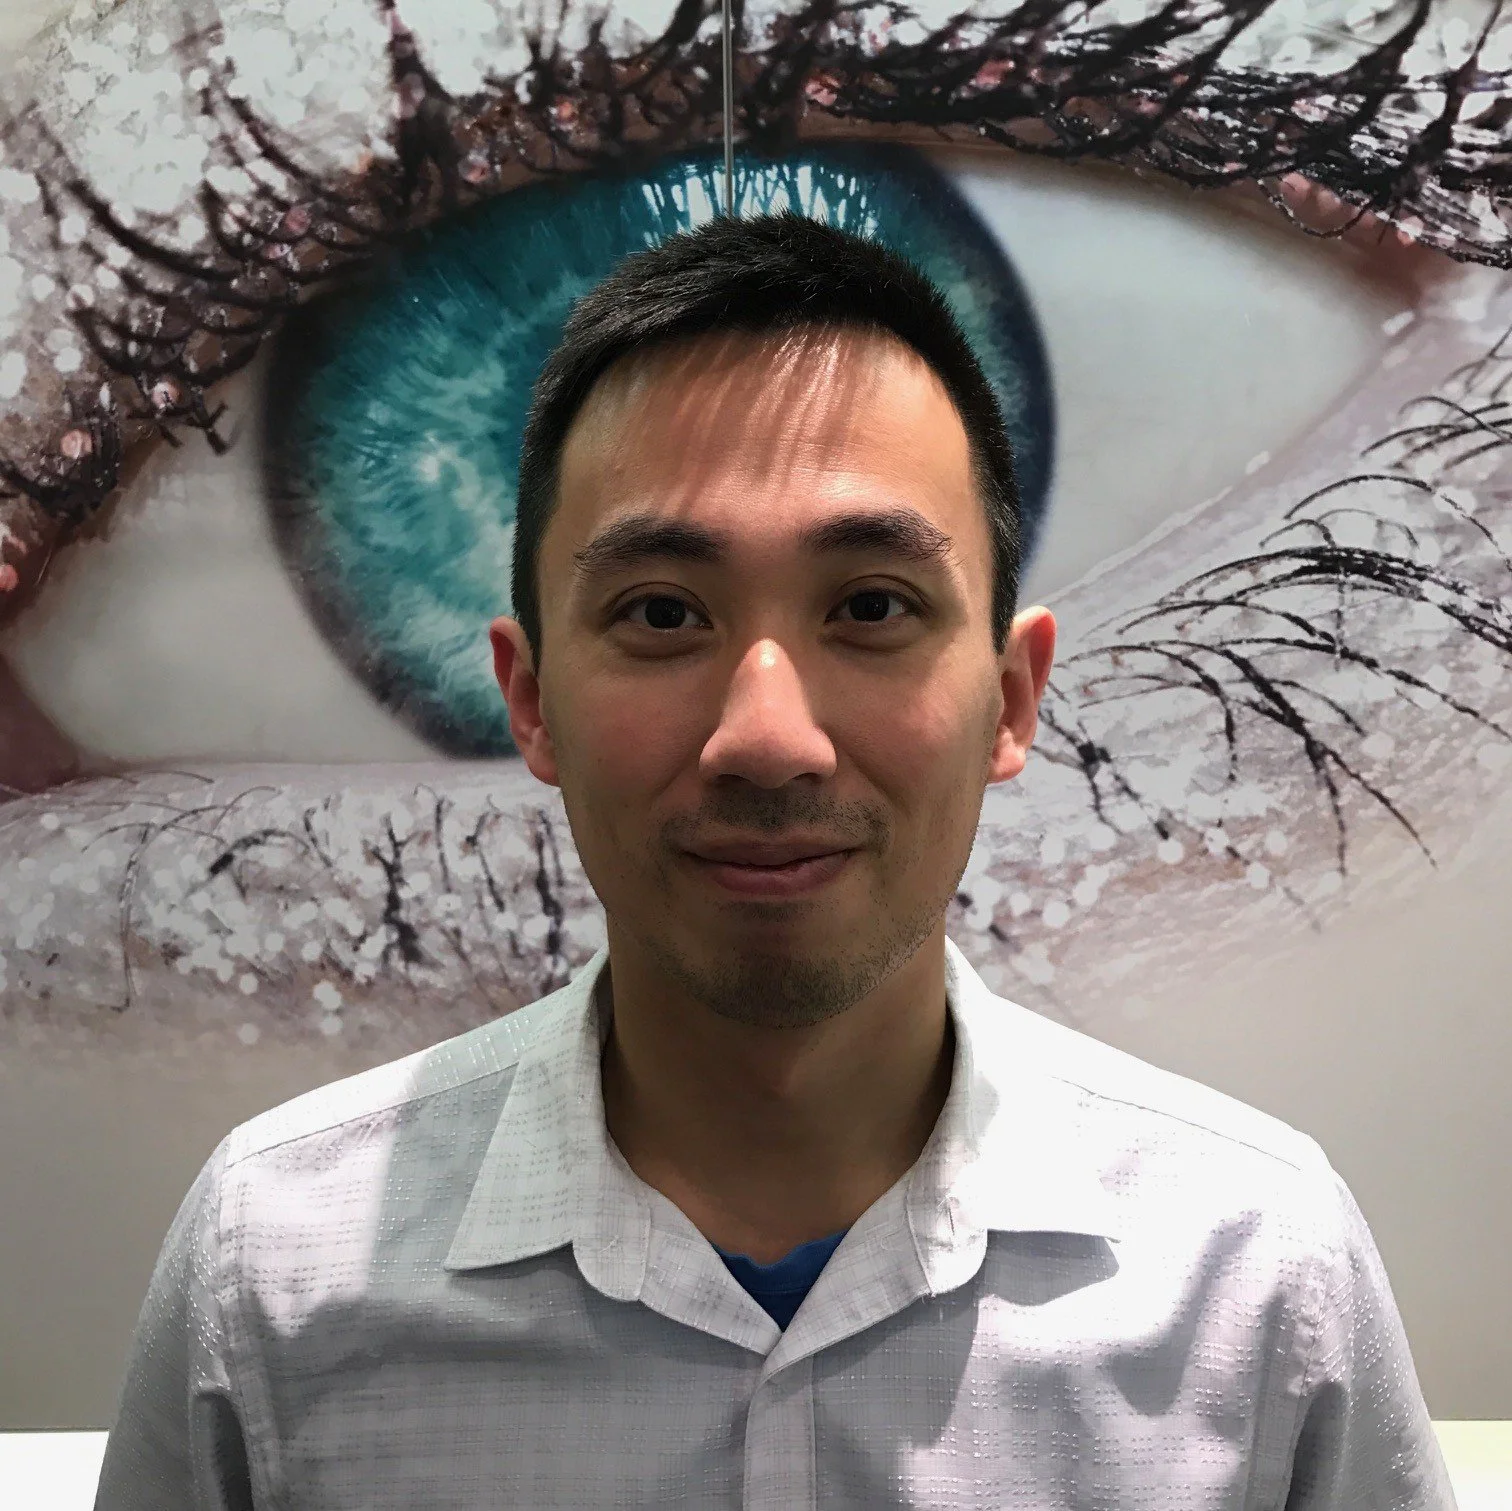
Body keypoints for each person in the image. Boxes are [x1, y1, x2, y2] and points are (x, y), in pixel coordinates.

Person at [94, 213, 1455, 1510]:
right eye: (661, 612)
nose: (766, 737)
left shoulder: (1261, 1276)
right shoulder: (273, 1276)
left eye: (871, 605)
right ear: (527, 699)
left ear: (1015, 697)